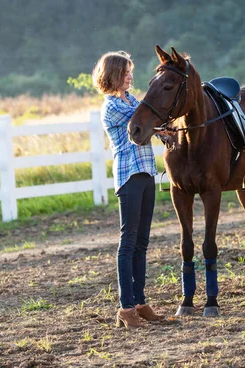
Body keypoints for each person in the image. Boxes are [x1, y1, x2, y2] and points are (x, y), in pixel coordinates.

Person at [92, 51, 163, 328]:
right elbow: (147, 118)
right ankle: (125, 306)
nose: (130, 76)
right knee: (128, 242)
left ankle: (140, 301)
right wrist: (161, 124)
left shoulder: (132, 99)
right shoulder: (112, 106)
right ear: (113, 76)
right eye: (125, 73)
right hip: (128, 176)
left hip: (145, 172)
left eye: (130, 72)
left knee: (142, 242)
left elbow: (151, 122)